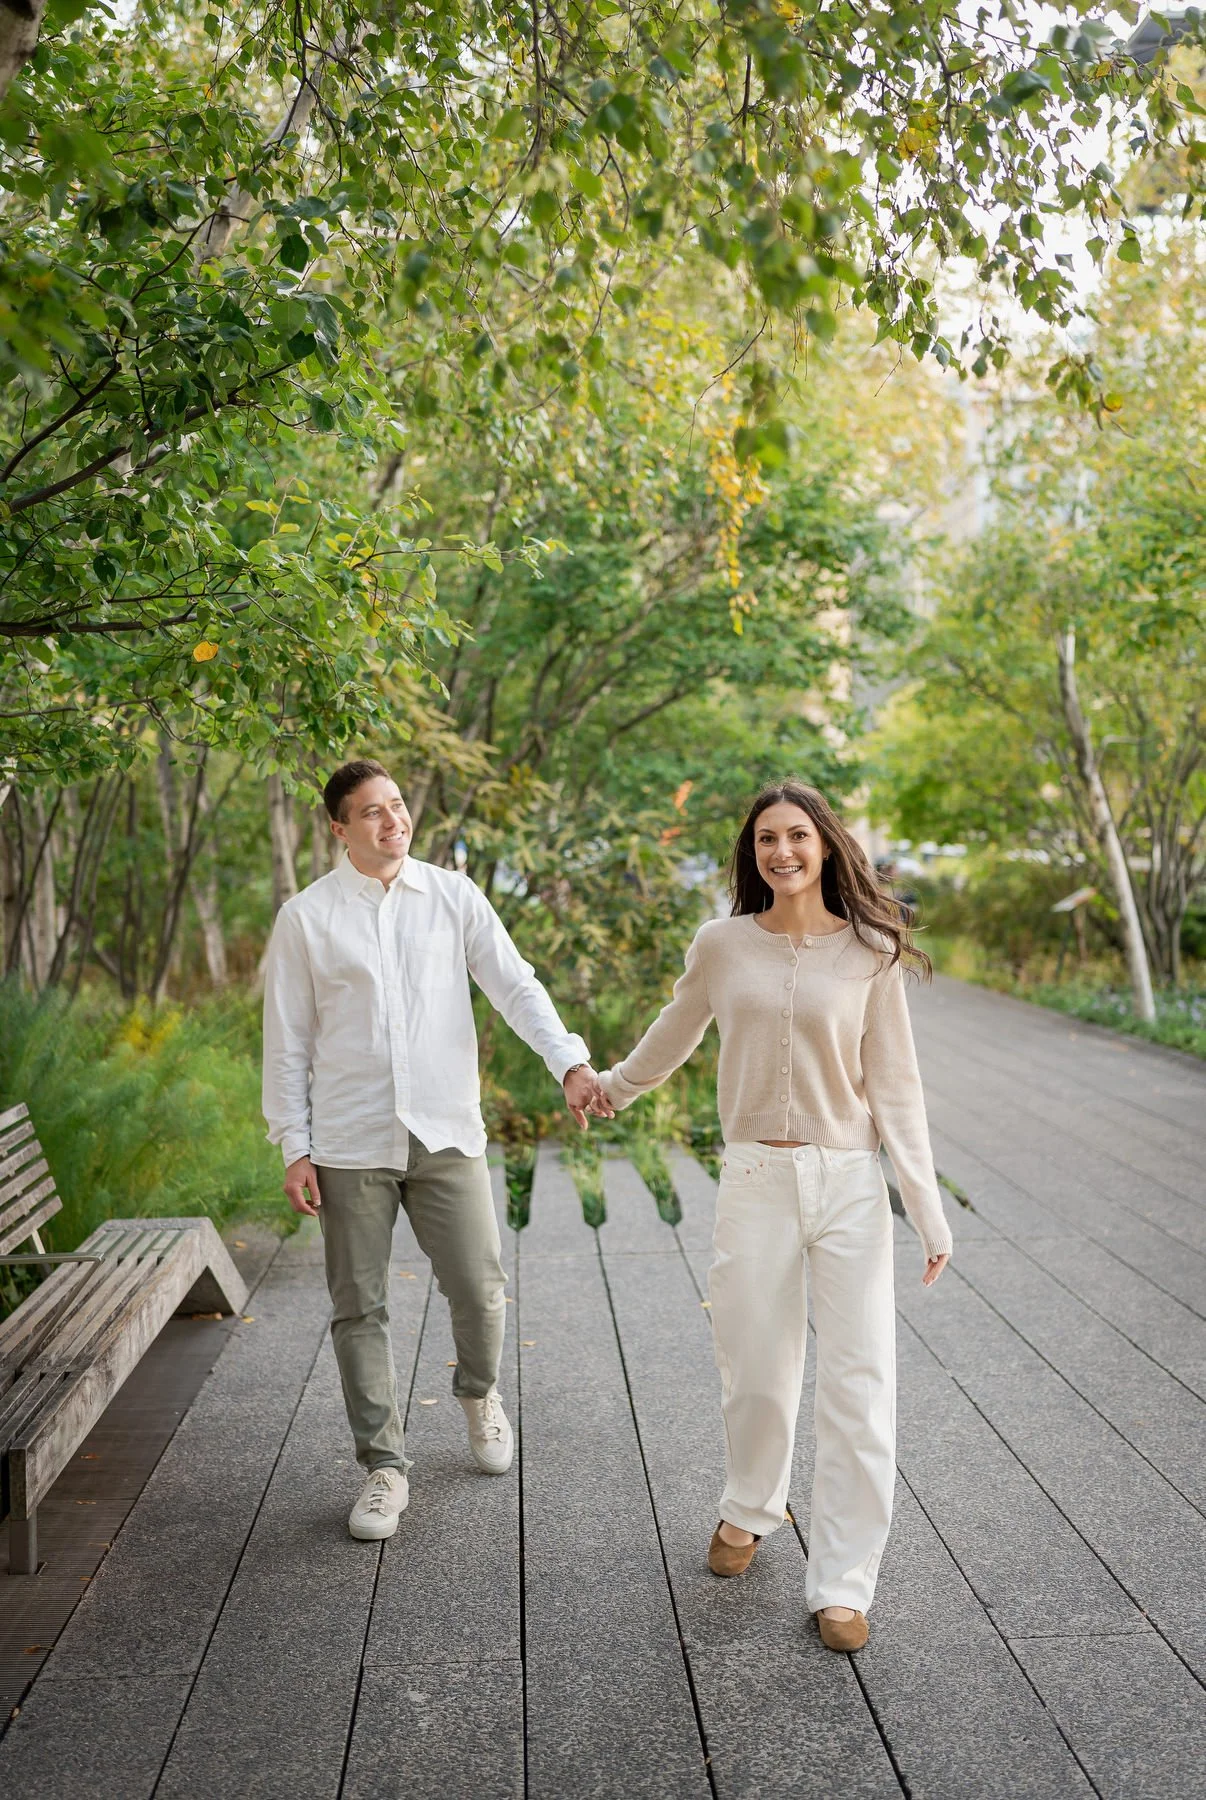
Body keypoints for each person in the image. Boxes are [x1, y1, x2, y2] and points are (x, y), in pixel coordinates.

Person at [598, 781, 952, 1653]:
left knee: (860, 1387)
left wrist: (927, 1208)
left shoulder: (870, 953)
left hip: (849, 1187)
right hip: (756, 1179)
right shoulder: (722, 945)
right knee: (756, 1368)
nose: (782, 851)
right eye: (766, 840)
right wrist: (610, 1088)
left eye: (798, 836)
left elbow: (896, 1088)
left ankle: (840, 1581)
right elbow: (674, 1030)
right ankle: (751, 1507)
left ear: (827, 846)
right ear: (751, 854)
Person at [262, 759, 605, 1542]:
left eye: (398, 805)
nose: (393, 822)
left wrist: (570, 1062)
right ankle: (384, 1467)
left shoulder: (453, 897)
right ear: (339, 828)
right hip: (350, 1141)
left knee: (480, 1288)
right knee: (360, 1307)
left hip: (447, 1131)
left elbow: (516, 987)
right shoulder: (306, 919)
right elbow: (286, 1045)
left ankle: (479, 1395)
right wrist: (295, 1144)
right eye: (372, 813)